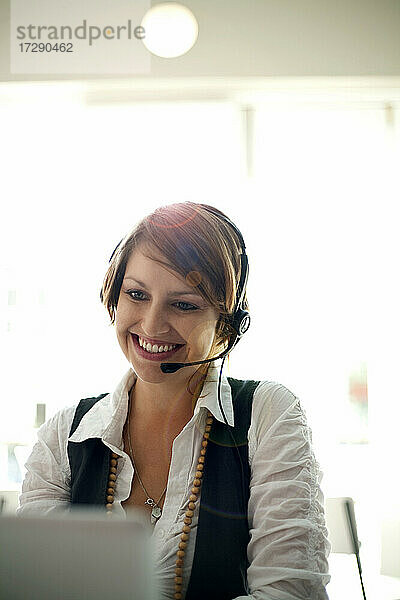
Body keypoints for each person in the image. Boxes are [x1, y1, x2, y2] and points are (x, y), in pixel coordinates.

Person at [17, 202, 331, 599]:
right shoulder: (63, 435)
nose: (151, 324)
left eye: (184, 304)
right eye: (136, 294)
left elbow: (290, 592)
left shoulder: (267, 413)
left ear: (227, 324)